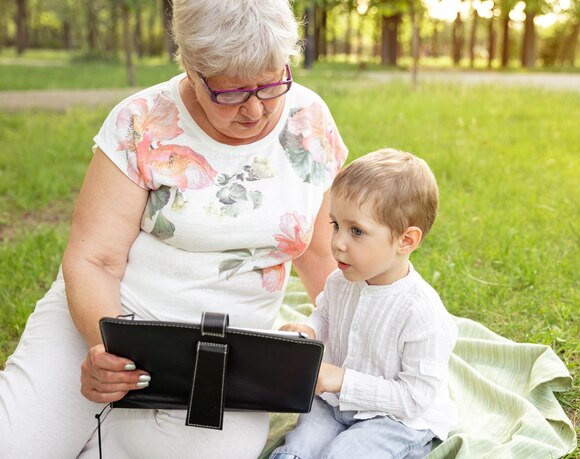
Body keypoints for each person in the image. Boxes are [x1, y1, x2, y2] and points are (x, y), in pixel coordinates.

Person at [0, 1, 347, 457]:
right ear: (190, 66)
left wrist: (355, 348)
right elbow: (93, 259)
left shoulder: (309, 121)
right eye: (232, 93)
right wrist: (103, 348)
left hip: (229, 357)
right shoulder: (141, 121)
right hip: (110, 320)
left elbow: (321, 254)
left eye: (270, 84)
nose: (255, 110)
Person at [270, 149, 458, 459]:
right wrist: (309, 330)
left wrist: (342, 380)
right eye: (335, 225)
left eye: (356, 231)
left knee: (342, 454)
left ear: (406, 241)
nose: (337, 243)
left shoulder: (421, 312)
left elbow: (414, 398)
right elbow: (325, 316)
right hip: (334, 404)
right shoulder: (340, 281)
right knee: (298, 448)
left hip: (396, 419)